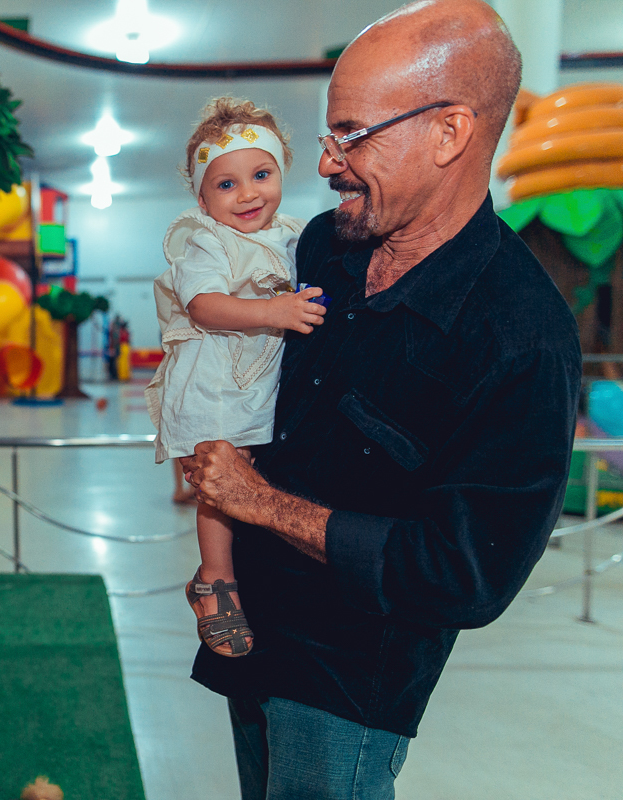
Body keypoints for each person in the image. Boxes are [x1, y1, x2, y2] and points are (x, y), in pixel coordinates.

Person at [180, 2, 581, 797]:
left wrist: (259, 504)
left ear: (449, 133)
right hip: (252, 635)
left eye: (352, 134)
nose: (327, 164)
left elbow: (466, 574)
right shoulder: (324, 245)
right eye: (328, 135)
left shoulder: (522, 337)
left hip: (350, 686)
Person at [145, 98, 327, 657]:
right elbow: (204, 306)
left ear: (282, 173)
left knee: (255, 478)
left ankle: (248, 572)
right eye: (226, 184)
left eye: (261, 175)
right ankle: (215, 581)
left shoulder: (295, 235)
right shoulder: (206, 240)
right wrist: (276, 313)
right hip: (213, 384)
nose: (247, 194)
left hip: (259, 384)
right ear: (202, 198)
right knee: (221, 483)